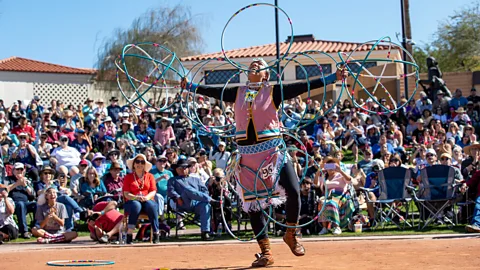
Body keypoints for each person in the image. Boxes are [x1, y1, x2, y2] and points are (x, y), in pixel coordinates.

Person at [182, 57, 346, 267]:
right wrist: (191, 86)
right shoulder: (238, 92)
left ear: (266, 75)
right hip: (248, 155)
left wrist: (334, 77)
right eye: (253, 64)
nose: (255, 64)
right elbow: (213, 91)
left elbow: (305, 85)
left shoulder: (273, 91)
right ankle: (265, 251)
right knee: (253, 204)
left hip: (273, 152)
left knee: (293, 190)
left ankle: (291, 233)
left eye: (260, 65)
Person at [167, 158, 218, 241]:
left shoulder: (196, 179)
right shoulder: (172, 180)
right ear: (177, 169)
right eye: (181, 168)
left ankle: (205, 232)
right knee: (188, 189)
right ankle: (211, 201)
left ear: (188, 169)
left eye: (185, 167)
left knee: (205, 205)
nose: (184, 169)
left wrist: (202, 197)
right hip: (182, 202)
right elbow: (170, 192)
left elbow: (205, 191)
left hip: (197, 204)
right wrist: (177, 197)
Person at [122, 154, 160, 244]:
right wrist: (136, 197)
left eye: (142, 162)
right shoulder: (128, 177)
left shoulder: (150, 176)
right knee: (136, 205)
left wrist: (146, 197)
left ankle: (156, 233)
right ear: (134, 164)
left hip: (147, 200)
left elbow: (153, 191)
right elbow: (126, 194)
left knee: (151, 205)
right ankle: (130, 234)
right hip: (132, 201)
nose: (140, 164)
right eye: (137, 162)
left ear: (145, 164)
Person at [317, 157, 354, 236]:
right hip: (328, 196)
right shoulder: (324, 176)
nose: (330, 168)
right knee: (322, 202)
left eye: (332, 165)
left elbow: (349, 180)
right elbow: (316, 184)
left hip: (340, 196)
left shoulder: (340, 175)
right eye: (328, 166)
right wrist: (318, 170)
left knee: (331, 202)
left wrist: (340, 170)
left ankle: (337, 227)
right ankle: (325, 227)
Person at [5, 163, 36, 239]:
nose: (19, 171)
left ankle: (35, 228)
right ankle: (24, 231)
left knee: (36, 204)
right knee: (21, 204)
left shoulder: (27, 180)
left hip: (26, 203)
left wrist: (25, 185)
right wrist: (17, 183)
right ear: (13, 170)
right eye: (17, 169)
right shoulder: (8, 179)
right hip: (13, 203)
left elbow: (33, 195)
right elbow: (5, 190)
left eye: (21, 169)